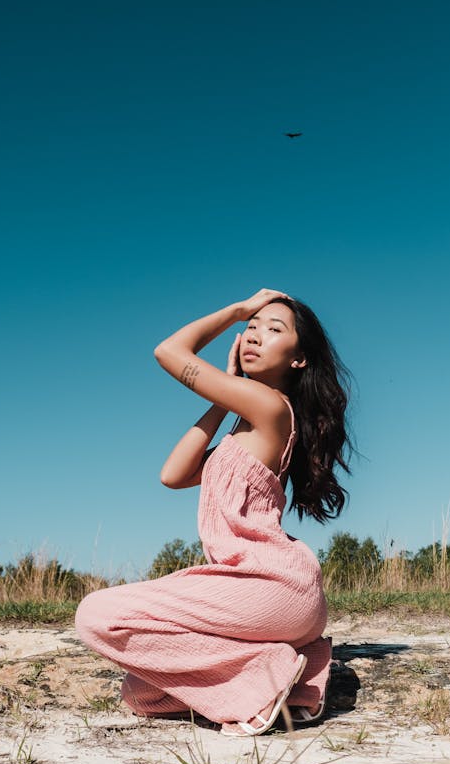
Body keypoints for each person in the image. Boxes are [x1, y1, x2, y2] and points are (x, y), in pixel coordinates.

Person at [75, 288, 351, 737]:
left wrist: (237, 310)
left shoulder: (271, 408)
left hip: (272, 585)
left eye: (273, 329)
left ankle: (267, 670)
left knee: (95, 616)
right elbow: (174, 474)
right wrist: (221, 399)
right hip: (262, 600)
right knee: (141, 692)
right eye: (251, 327)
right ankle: (296, 672)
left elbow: (169, 351)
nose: (254, 335)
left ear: (299, 359)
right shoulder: (246, 426)